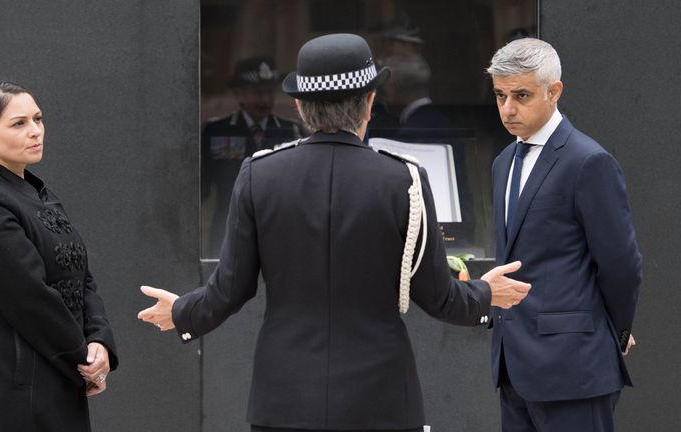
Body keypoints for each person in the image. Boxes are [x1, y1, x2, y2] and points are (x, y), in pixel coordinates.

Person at [138, 33, 530, 432]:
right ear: (370, 101)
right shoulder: (404, 178)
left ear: (300, 107)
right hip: (380, 399)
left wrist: (180, 312)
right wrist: (486, 293)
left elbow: (229, 290)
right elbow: (438, 297)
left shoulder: (259, 174)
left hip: (284, 400)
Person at [0, 80, 118, 431]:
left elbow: (81, 278)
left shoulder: (39, 194)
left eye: (38, 119)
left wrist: (100, 343)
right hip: (2, 378)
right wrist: (82, 361)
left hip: (49, 367)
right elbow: (28, 296)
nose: (35, 131)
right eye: (19, 123)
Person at [487, 38, 641, 431]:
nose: (508, 108)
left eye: (521, 95)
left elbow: (620, 264)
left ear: (554, 91)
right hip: (511, 366)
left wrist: (618, 331)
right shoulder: (504, 162)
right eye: (500, 95)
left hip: (574, 369)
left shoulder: (588, 161)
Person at [201, 55, 305, 256]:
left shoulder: (291, 131)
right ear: (239, 95)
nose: (265, 100)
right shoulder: (216, 131)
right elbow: (201, 188)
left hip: (278, 228)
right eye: (258, 93)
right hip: (228, 227)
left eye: (269, 93)